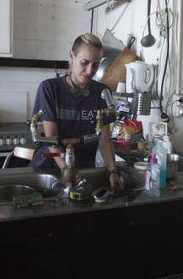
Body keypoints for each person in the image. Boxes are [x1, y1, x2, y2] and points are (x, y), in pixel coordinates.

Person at [30, 33, 124, 190]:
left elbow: (104, 139)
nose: (89, 71)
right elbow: (52, 142)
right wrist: (70, 172)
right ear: (72, 56)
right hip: (49, 163)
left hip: (84, 168)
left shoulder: (102, 92)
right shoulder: (49, 89)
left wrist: (113, 171)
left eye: (95, 65)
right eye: (84, 63)